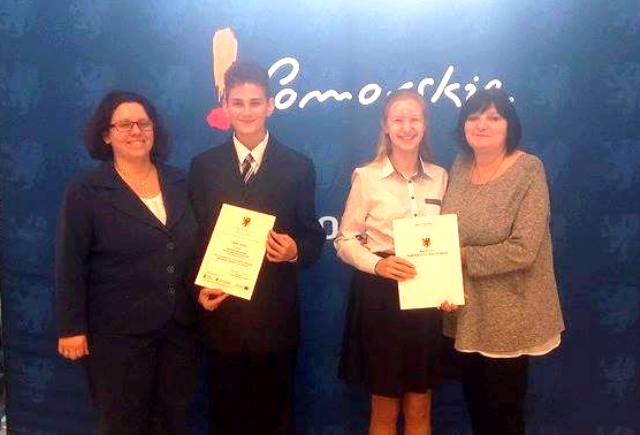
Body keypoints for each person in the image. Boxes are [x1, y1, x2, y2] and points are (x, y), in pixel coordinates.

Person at [188, 61, 325, 435]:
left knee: (275, 420)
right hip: (222, 318)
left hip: (274, 322)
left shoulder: (298, 166)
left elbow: (314, 240)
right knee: (226, 420)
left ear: (271, 105)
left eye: (255, 102)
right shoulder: (203, 167)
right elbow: (193, 241)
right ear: (225, 106)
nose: (246, 111)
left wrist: (294, 250)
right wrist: (197, 290)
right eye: (237, 103)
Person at [55, 91, 199, 435]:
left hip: (179, 330)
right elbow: (70, 261)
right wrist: (71, 327)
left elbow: (196, 247)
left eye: (143, 123)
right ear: (106, 134)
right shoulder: (87, 190)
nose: (136, 131)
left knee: (173, 421)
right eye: (124, 124)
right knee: (122, 423)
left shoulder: (181, 182)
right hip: (117, 336)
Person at [441, 88, 565, 435]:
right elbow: (445, 235)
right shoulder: (460, 166)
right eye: (473, 117)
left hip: (510, 316)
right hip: (467, 313)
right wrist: (441, 280)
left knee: (504, 418)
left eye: (494, 117)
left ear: (510, 125)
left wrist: (462, 256)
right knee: (478, 412)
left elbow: (523, 250)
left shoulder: (528, 170)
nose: (482, 124)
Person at [335, 89, 448, 435]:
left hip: (426, 297)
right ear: (385, 126)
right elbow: (344, 239)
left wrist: (447, 289)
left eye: (414, 119)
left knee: (420, 406)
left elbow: (447, 241)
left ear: (425, 125)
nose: (406, 127)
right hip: (380, 298)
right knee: (384, 409)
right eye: (398, 120)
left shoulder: (441, 176)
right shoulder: (366, 177)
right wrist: (377, 265)